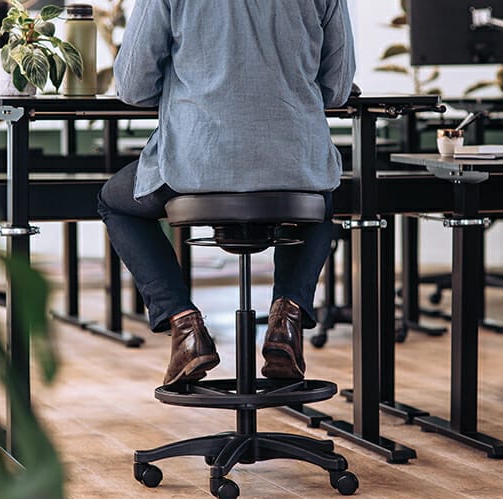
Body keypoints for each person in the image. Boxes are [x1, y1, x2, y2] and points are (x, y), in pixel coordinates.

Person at [97, 0, 356, 385]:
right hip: (294, 166)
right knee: (321, 193)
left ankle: (184, 326)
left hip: (197, 167)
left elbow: (133, 87)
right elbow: (336, 88)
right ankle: (286, 320)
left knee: (113, 201)